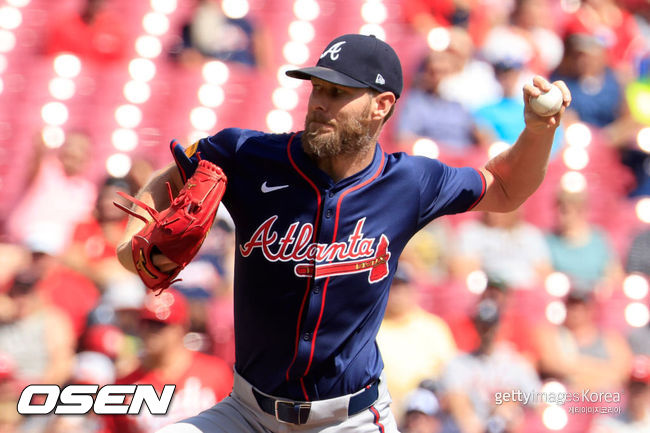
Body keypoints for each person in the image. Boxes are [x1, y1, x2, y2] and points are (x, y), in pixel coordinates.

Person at [117, 33, 570, 433]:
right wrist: (132, 241)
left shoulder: (408, 183)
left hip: (348, 420)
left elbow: (505, 187)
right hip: (246, 414)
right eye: (317, 87)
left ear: (381, 105)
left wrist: (538, 133)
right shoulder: (250, 154)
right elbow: (173, 174)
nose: (319, 102)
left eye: (337, 92)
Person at [109, 289, 233, 433]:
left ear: (182, 327)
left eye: (158, 324)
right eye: (145, 322)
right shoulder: (125, 385)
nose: (149, 331)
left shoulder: (215, 372)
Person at [376, 264, 457, 419]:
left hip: (429, 406)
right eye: (393, 287)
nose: (397, 294)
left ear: (412, 291)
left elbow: (450, 370)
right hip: (387, 406)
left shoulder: (433, 326)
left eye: (401, 287)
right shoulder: (373, 329)